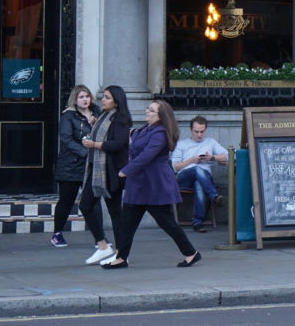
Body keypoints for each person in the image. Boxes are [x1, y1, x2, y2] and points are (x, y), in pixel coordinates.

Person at [103, 100, 200, 270]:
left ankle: (191, 253)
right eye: (148, 108)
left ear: (160, 115)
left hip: (154, 185)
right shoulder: (144, 129)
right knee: (126, 223)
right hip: (138, 185)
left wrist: (126, 170)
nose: (146, 110)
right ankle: (121, 258)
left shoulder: (161, 133)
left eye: (151, 109)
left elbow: (147, 155)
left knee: (167, 222)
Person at [79, 85, 131, 265]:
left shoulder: (121, 119)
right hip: (96, 170)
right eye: (103, 97)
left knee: (115, 212)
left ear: (116, 100)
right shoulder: (103, 116)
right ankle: (103, 246)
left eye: (107, 97)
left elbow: (117, 144)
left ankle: (121, 254)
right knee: (85, 205)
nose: (103, 100)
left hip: (111, 171)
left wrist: (94, 144)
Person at [51, 84, 99, 248]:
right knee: (66, 200)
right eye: (81, 97)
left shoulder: (98, 113)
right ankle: (57, 233)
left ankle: (99, 238)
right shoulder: (68, 116)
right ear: (75, 99)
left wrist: (95, 123)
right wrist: (85, 152)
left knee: (94, 201)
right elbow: (66, 139)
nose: (85, 100)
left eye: (87, 96)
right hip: (71, 165)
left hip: (91, 165)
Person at [171, 115, 227, 233]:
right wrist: (192, 160)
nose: (199, 135)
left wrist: (212, 157)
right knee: (197, 168)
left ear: (205, 130)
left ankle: (197, 223)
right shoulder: (181, 144)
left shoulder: (210, 142)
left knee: (199, 184)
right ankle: (214, 196)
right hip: (184, 178)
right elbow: (175, 167)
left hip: (204, 179)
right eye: (196, 131)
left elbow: (227, 156)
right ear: (191, 130)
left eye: (202, 131)